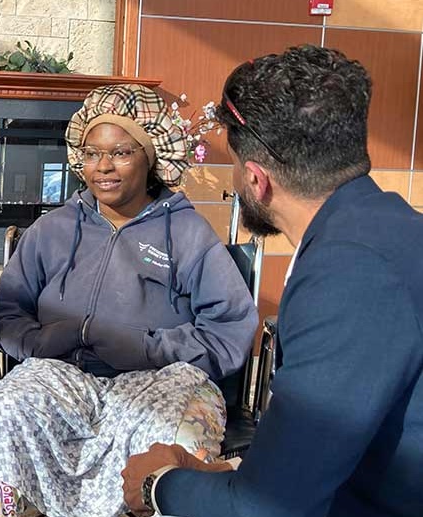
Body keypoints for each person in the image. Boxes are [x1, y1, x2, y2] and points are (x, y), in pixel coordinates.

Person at [122, 45, 423, 517]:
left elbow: (270, 509)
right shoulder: (392, 227)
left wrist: (159, 485)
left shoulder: (348, 274)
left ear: (257, 179)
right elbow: (323, 454)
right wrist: (224, 473)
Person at [0, 84, 258, 517]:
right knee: (3, 415)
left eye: (121, 153)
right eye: (92, 153)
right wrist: (42, 341)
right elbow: (9, 312)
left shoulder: (189, 235)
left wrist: (146, 347)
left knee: (174, 434)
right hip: (59, 373)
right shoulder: (52, 230)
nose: (103, 168)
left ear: (150, 157)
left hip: (161, 378)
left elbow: (229, 329)